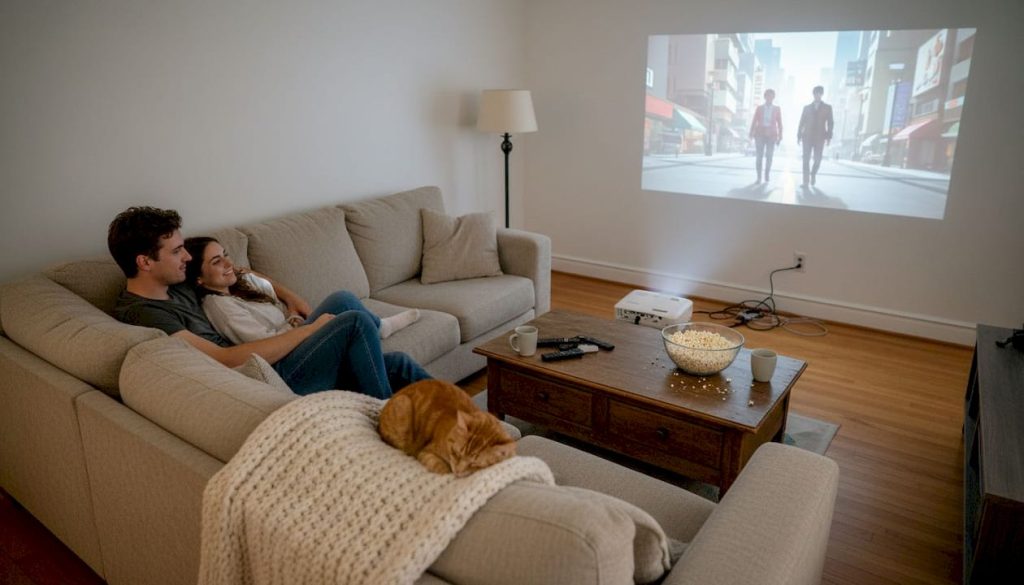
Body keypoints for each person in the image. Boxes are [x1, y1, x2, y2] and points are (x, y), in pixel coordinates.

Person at [107, 206, 431, 399]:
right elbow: (224, 359)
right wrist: (308, 330)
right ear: (144, 262)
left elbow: (242, 272)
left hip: (281, 358)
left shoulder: (174, 283)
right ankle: (386, 416)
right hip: (272, 379)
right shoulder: (145, 314)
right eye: (177, 251)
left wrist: (290, 299)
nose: (187, 256)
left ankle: (476, 424)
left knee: (399, 362)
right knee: (355, 322)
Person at [183, 236, 420, 345]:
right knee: (344, 302)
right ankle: (380, 328)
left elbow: (246, 272)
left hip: (296, 327)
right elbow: (264, 343)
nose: (228, 264)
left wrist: (290, 299)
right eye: (216, 262)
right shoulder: (221, 307)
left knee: (344, 302)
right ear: (199, 280)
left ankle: (379, 327)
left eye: (225, 255)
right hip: (290, 346)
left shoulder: (236, 284)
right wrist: (295, 319)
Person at [797, 85, 834, 187]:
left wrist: (829, 137)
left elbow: (830, 123)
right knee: (806, 159)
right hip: (807, 137)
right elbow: (801, 122)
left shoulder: (827, 108)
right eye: (815, 93)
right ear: (813, 94)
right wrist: (799, 135)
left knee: (818, 159)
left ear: (822, 94)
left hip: (820, 137)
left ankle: (813, 174)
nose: (817, 95)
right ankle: (805, 181)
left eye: (819, 93)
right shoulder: (807, 108)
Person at [748, 89, 783, 183]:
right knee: (759, 156)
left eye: (771, 96)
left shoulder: (777, 109)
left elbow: (779, 123)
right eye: (768, 96)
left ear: (773, 97)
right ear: (765, 97)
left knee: (769, 156)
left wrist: (780, 136)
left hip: (772, 135)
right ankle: (759, 177)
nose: (769, 98)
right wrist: (751, 133)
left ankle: (767, 173)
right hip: (759, 134)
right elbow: (754, 121)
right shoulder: (759, 108)